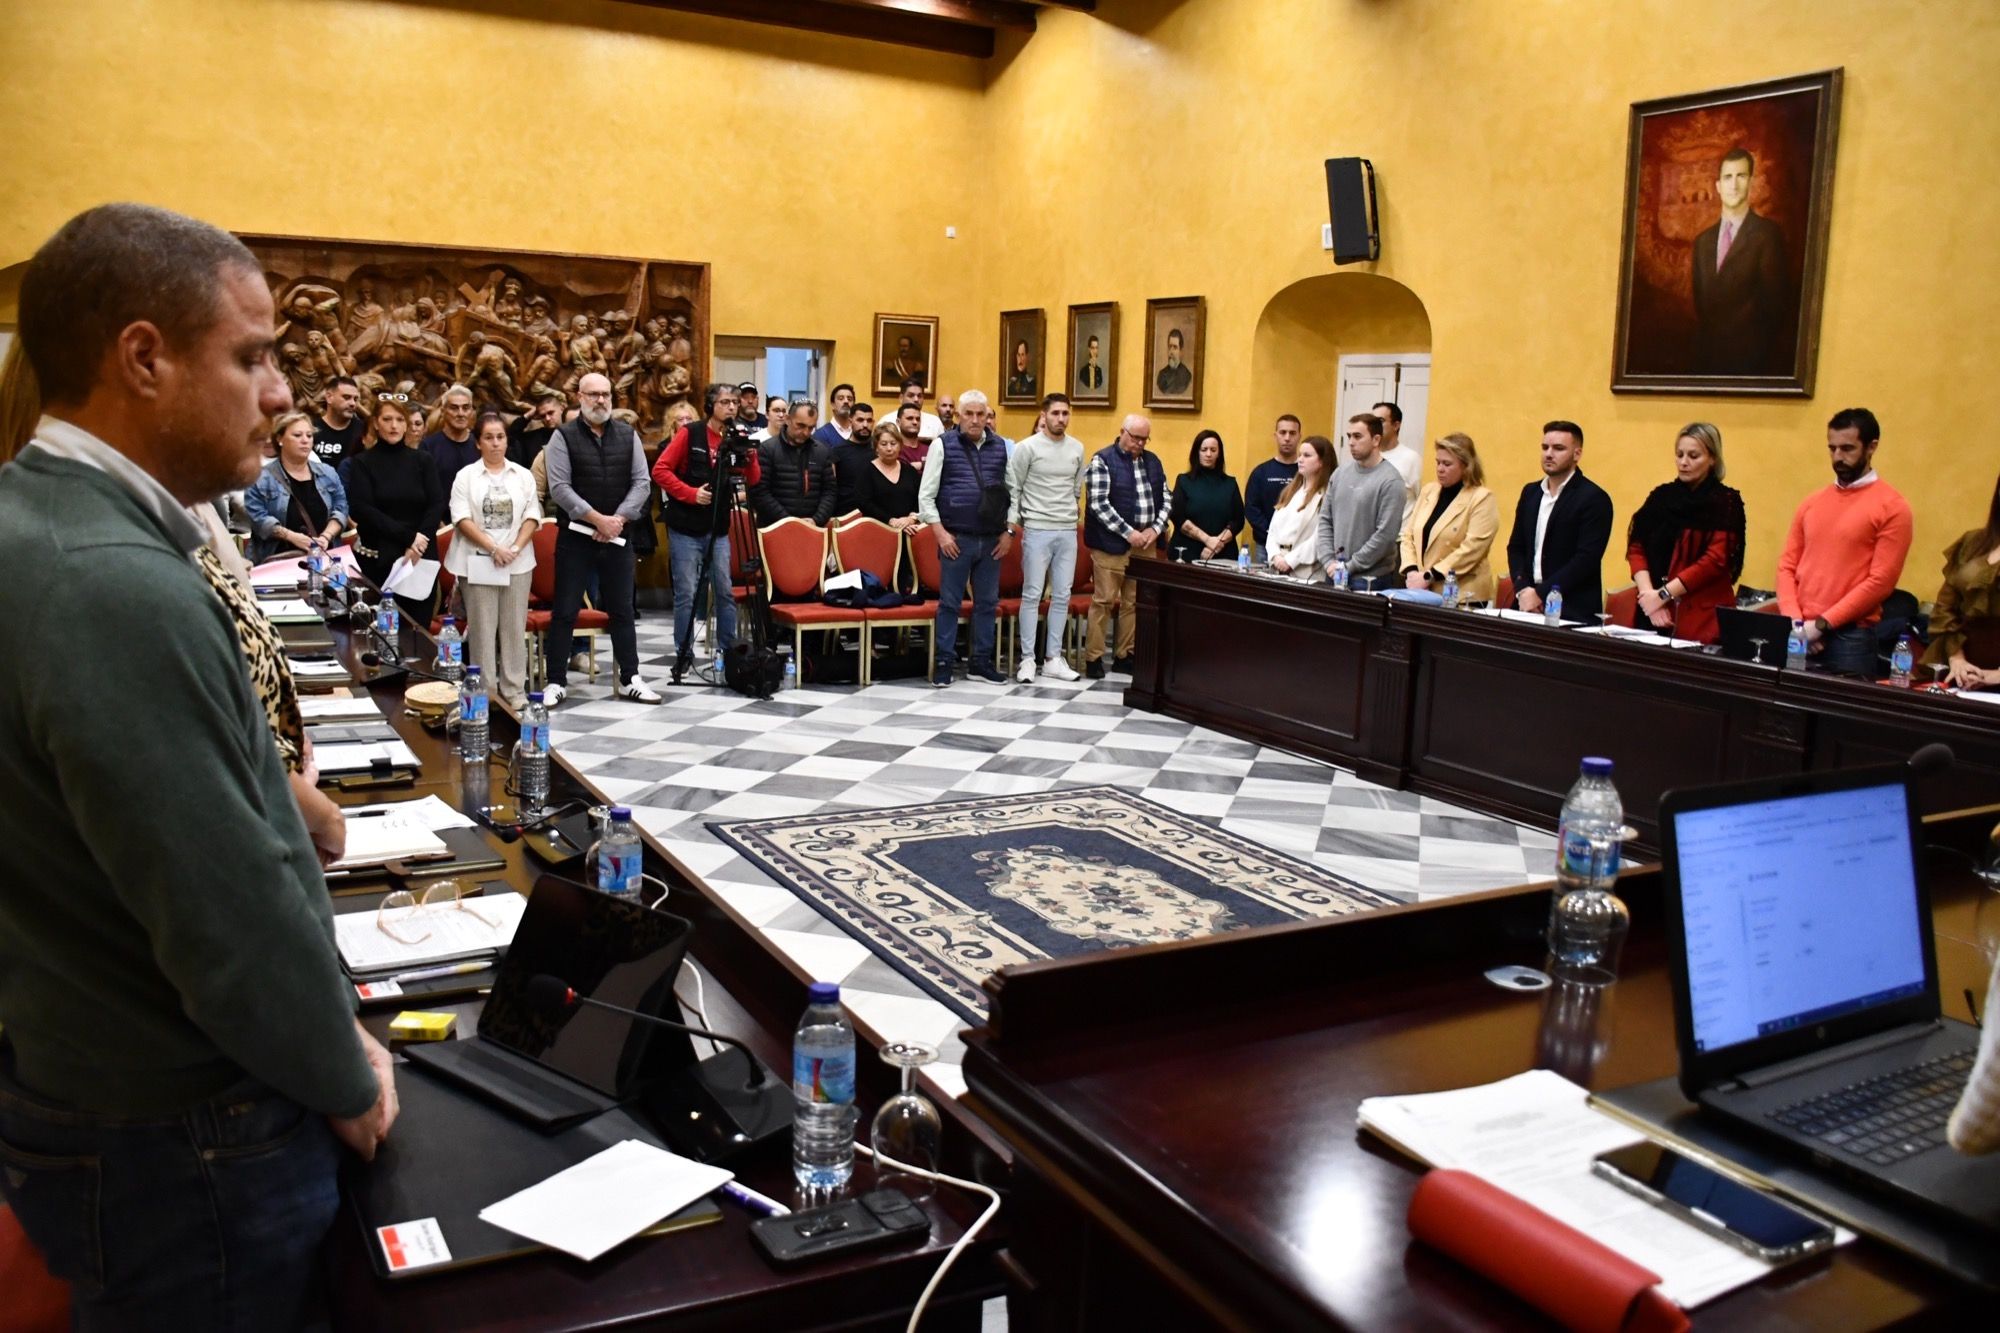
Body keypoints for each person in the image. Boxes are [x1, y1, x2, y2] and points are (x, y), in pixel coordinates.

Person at [0, 201, 396, 1327]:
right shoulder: (112, 580)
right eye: (252, 356)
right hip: (181, 1139)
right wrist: (343, 1068)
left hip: (80, 1084)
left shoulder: (36, 524)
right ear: (143, 358)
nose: (279, 393)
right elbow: (223, 911)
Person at [543, 371, 660, 704]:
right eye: (593, 394)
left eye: (606, 394)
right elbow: (560, 489)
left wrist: (618, 519)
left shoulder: (628, 435)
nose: (600, 400)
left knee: (623, 609)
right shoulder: (562, 437)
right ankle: (555, 681)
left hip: (618, 537)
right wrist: (597, 520)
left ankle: (631, 677)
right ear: (579, 397)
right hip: (576, 537)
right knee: (565, 609)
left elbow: (642, 482)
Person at [1776, 407, 1915, 676]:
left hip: (1851, 636)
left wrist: (1821, 625)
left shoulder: (1893, 507)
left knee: (1840, 717)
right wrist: (1796, 623)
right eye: (1832, 448)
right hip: (1799, 630)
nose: (1838, 457)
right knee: (1785, 713)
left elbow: (1880, 582)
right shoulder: (1812, 503)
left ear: (1871, 447)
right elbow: (1787, 566)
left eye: (1848, 448)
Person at [654, 382, 764, 676]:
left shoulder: (736, 436)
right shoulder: (691, 434)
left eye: (735, 403)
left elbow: (752, 480)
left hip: (718, 528)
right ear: (711, 406)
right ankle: (684, 654)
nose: (731, 407)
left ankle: (729, 654)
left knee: (725, 591)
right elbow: (660, 471)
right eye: (725, 402)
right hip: (685, 527)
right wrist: (690, 493)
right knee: (687, 594)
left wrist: (749, 452)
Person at [447, 410, 542, 709]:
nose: (495, 443)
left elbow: (532, 515)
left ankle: (514, 691)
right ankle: (486, 692)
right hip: (478, 561)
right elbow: (461, 518)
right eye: (488, 438)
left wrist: (513, 548)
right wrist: (493, 548)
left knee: (514, 628)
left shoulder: (522, 475)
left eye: (500, 437)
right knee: (483, 630)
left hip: (516, 561)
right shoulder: (466, 476)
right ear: (478, 443)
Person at [918, 389, 1012, 686]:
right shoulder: (942, 445)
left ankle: (980, 663)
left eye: (980, 414)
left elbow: (1013, 492)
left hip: (992, 538)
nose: (974, 420)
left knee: (987, 602)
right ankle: (944, 662)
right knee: (949, 602)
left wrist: (1009, 531)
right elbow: (926, 496)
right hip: (956, 537)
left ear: (988, 416)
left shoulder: (1000, 447)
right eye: (968, 414)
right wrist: (940, 533)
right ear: (959, 416)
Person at [1625, 422, 1747, 643]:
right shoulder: (1661, 497)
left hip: (1700, 615)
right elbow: (1636, 546)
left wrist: (1662, 595)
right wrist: (1648, 598)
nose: (1684, 462)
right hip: (1651, 610)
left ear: (1712, 459)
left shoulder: (1725, 502)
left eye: (1693, 456)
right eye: (1679, 454)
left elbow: (1714, 560)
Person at [1007, 391, 1087, 682]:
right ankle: (1028, 658)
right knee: (1032, 593)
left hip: (1066, 529)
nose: (1061, 419)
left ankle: (1053, 657)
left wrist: (1072, 515)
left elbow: (1076, 488)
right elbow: (1013, 486)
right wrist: (1014, 523)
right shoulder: (1026, 448)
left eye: (1065, 413)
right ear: (1044, 415)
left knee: (1063, 595)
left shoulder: (1077, 448)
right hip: (1037, 528)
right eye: (1055, 413)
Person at [347, 393, 446, 625]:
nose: (394, 426)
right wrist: (410, 538)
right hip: (379, 559)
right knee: (380, 631)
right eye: (387, 419)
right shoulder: (362, 463)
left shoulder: (423, 460)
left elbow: (436, 504)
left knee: (417, 634)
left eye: (400, 420)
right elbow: (363, 509)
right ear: (375, 423)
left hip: (419, 560)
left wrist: (418, 543)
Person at [1691, 146, 1788, 375]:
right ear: (1718, 186)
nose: (1733, 184)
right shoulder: (1702, 242)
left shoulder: (1768, 234)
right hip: (1707, 366)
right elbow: (1701, 305)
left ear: (1751, 182)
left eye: (1741, 176)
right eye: (1728, 177)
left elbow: (1775, 307)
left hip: (1751, 365)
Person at [1084, 414, 1167, 678]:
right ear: (1123, 432)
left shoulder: (1153, 462)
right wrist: (1129, 533)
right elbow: (1098, 504)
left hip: (1147, 544)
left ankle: (1124, 655)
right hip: (1111, 544)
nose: (1140, 443)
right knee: (1105, 601)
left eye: (1145, 439)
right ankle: (1094, 657)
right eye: (1136, 438)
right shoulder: (1102, 460)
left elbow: (1166, 498)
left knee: (1134, 602)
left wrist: (1155, 529)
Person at [1505, 420, 1614, 620]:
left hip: (1571, 608)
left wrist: (1541, 594)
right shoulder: (1531, 492)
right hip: (1526, 603)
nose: (1548, 454)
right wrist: (1523, 590)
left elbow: (1586, 559)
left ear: (1577, 454)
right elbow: (1516, 547)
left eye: (1558, 448)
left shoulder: (1593, 498)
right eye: (1545, 447)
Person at [1399, 432, 1499, 603]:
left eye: (1447, 464)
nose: (1440, 468)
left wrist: (1430, 575)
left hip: (1462, 594)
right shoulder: (1429, 491)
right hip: (1421, 589)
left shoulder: (1481, 498)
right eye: (1437, 462)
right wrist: (1412, 571)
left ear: (1466, 466)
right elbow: (1408, 535)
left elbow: (1472, 549)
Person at [1921, 472, 2000, 689]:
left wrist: (1993, 676)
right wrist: (1957, 660)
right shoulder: (1973, 542)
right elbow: (1945, 607)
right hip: (1960, 666)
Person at [245, 410, 350, 560]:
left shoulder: (328, 473)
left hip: (323, 558)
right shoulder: (260, 477)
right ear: (280, 439)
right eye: (297, 435)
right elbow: (258, 519)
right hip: (277, 559)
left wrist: (326, 537)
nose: (305, 440)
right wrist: (293, 537)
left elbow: (341, 509)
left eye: (309, 435)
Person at [1319, 414, 1403, 588]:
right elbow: (1325, 519)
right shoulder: (1340, 473)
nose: (1351, 442)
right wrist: (1328, 561)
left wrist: (1349, 566)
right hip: (1333, 572)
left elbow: (1385, 536)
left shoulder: (1390, 480)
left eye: (1357, 436)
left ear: (1376, 440)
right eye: (1349, 436)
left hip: (1370, 579)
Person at [751, 401, 837, 525]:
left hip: (812, 527)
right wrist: (788, 521)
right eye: (800, 426)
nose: (806, 432)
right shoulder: (767, 449)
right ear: (787, 419)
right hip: (773, 528)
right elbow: (760, 493)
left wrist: (817, 519)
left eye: (811, 427)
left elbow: (830, 491)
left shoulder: (821, 451)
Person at [1167, 429, 1244, 563]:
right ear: (1196, 452)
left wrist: (1216, 545)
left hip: (1223, 554)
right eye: (1204, 449)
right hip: (1186, 552)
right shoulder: (1184, 481)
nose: (1208, 454)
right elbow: (1178, 517)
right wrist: (1208, 540)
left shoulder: (1230, 483)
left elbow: (1238, 520)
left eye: (1213, 450)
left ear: (1219, 453)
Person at [1265, 435, 1335, 581]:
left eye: (1307, 455)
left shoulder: (1326, 495)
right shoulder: (1291, 492)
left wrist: (1290, 561)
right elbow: (1272, 531)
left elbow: (1319, 537)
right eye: (1300, 455)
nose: (1300, 460)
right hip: (1277, 568)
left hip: (1306, 570)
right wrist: (1275, 556)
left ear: (1322, 461)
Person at [1243, 413, 1303, 562]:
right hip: (1265, 546)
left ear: (1299, 436)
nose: (1287, 438)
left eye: (1292, 433)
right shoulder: (1261, 472)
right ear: (1275, 436)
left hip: (1298, 547)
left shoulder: (1306, 472)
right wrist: (1272, 533)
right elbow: (1252, 509)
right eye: (1283, 433)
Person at [856, 420, 922, 528]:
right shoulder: (866, 471)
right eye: (884, 444)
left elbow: (919, 499)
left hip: (910, 528)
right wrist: (891, 521)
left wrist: (911, 519)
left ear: (900, 445)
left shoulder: (910, 471)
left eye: (893, 443)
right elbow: (864, 503)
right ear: (876, 447)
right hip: (877, 529)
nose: (889, 448)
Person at [419, 382, 479, 489]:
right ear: (443, 411)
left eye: (466, 408)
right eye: (454, 408)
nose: (461, 414)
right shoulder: (428, 446)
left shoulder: (480, 444)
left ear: (471, 411)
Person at [1372, 400, 1422, 520]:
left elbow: (1422, 500)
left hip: (1399, 535)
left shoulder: (1411, 459)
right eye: (1372, 422)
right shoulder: (1367, 457)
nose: (1374, 426)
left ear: (1396, 425)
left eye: (1380, 421)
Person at [311, 373, 366, 472]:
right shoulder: (311, 430)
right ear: (329, 397)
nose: (353, 403)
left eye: (355, 399)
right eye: (346, 397)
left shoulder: (363, 431)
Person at [507, 390, 564, 469]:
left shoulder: (573, 432)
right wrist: (528, 416)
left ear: (562, 408)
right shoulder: (534, 438)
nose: (547, 418)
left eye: (550, 413)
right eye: (543, 416)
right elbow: (512, 436)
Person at [896, 376, 944, 442]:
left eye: (919, 396)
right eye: (911, 395)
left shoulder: (935, 422)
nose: (916, 399)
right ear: (901, 398)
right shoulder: (887, 421)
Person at [814, 382, 859, 447]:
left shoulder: (859, 433)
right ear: (833, 405)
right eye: (841, 398)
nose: (846, 401)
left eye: (849, 399)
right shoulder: (821, 435)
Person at [895, 399, 932, 469]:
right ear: (898, 422)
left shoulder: (929, 449)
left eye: (918, 419)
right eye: (910, 418)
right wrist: (923, 465)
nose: (915, 422)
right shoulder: (893, 449)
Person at [1155, 328, 1193, 396]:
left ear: (1181, 351)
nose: (1171, 352)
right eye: (1170, 347)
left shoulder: (1187, 376)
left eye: (1175, 347)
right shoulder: (1161, 375)